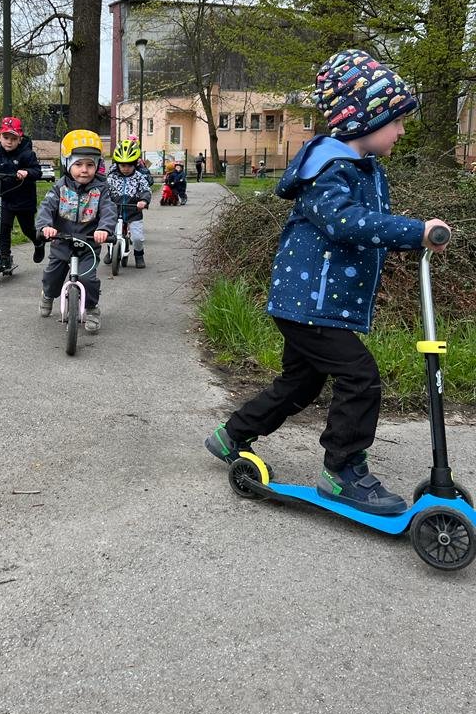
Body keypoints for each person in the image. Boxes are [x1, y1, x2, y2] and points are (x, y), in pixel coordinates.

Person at [204, 49, 451, 516]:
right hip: (309, 303)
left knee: (300, 384)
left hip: (318, 303)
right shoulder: (328, 169)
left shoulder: (363, 168)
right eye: (396, 121)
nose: (401, 131)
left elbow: (368, 226)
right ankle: (342, 471)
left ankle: (232, 434)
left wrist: (412, 238)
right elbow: (344, 222)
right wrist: (413, 230)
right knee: (360, 377)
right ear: (365, 120)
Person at [36, 129, 117, 333]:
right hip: (62, 242)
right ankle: (48, 295)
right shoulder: (60, 188)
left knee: (88, 279)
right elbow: (47, 207)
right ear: (67, 163)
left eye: (90, 164)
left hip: (89, 244)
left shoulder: (101, 190)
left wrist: (104, 229)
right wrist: (45, 226)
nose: (84, 170)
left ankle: (92, 309)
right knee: (52, 277)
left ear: (97, 165)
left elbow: (108, 210)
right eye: (78, 164)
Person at [0, 116, 45, 267]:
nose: (9, 141)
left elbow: (37, 171)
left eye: (13, 138)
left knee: (27, 228)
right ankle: (4, 257)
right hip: (4, 197)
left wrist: (26, 172)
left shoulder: (27, 153)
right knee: (3, 228)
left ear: (20, 139)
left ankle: (38, 242)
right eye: (6, 137)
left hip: (24, 199)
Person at [106, 138, 152, 268]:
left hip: (133, 212)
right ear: (117, 164)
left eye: (129, 166)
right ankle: (110, 251)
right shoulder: (111, 177)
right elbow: (104, 191)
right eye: (123, 166)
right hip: (115, 211)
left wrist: (143, 200)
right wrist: (104, 202)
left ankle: (139, 255)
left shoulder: (138, 177)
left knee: (137, 238)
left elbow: (145, 190)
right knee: (109, 234)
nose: (126, 169)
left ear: (135, 164)